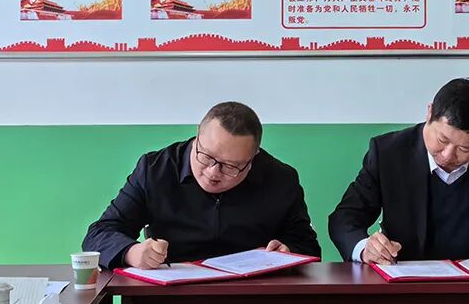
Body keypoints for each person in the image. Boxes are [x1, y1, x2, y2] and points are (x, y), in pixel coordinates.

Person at [328, 78, 469, 265]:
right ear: (429, 114)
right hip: (405, 286)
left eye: (464, 148)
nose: (448, 155)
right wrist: (364, 248)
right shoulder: (389, 153)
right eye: (442, 140)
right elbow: (344, 218)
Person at [83, 101, 320, 269]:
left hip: (253, 299)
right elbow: (99, 234)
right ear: (197, 136)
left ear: (252, 158)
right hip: (170, 300)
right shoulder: (155, 170)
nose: (213, 172)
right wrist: (131, 252)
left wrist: (287, 251)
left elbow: (308, 246)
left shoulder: (280, 179)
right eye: (206, 156)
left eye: (230, 166)